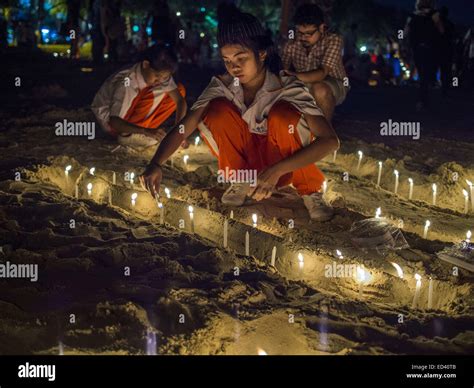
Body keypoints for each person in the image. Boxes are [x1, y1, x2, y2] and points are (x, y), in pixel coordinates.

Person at [140, 6, 340, 221]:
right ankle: (241, 178)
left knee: (284, 115)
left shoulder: (287, 86)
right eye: (227, 61)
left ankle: (310, 190)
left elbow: (330, 141)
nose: (233, 68)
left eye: (241, 58)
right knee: (215, 109)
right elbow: (184, 126)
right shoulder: (221, 85)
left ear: (261, 54)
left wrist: (277, 170)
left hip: (284, 167)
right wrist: (156, 163)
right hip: (248, 165)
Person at [91, 44, 187, 149]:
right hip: (114, 125)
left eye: (164, 77)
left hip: (128, 117)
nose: (160, 80)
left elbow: (180, 101)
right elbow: (114, 121)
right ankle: (129, 135)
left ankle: (143, 129)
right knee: (154, 93)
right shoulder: (127, 82)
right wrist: (144, 131)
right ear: (146, 64)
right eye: (157, 76)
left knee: (180, 90)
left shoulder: (159, 74)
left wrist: (178, 131)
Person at [281, 3, 348, 122]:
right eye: (300, 32)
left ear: (321, 28)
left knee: (320, 89)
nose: (303, 37)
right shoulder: (292, 42)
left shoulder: (333, 39)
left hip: (333, 83)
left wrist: (293, 76)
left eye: (309, 33)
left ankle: (325, 134)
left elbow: (322, 72)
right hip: (302, 83)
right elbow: (282, 68)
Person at [405, 0, 444, 110]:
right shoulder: (434, 14)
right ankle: (423, 98)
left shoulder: (412, 15)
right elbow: (441, 30)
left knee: (421, 72)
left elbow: (405, 32)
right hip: (430, 47)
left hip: (416, 47)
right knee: (426, 73)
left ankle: (422, 99)